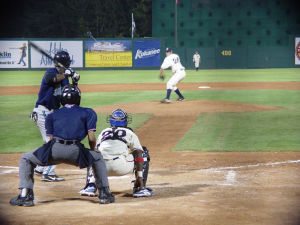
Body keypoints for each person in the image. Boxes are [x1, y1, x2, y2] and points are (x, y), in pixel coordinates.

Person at [9, 84, 115, 206]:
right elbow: (91, 138)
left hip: (55, 149)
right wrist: (93, 150)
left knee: (26, 158)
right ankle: (105, 194)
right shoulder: (88, 112)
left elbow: (50, 140)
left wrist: (50, 156)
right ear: (78, 98)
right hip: (76, 152)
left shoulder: (52, 115)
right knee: (97, 158)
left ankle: (25, 195)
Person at [78, 108, 154, 198]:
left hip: (101, 168)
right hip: (120, 166)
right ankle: (140, 188)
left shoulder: (103, 132)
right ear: (125, 121)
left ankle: (91, 185)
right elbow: (138, 153)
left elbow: (96, 151)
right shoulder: (129, 132)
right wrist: (139, 176)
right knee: (143, 152)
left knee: (93, 153)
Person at [30, 50, 80, 182]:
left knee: (53, 140)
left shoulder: (64, 76)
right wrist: (65, 75)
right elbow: (51, 79)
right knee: (54, 142)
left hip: (52, 113)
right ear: (66, 62)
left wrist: (74, 81)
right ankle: (48, 173)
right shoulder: (51, 72)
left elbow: (69, 94)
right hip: (43, 111)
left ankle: (40, 168)